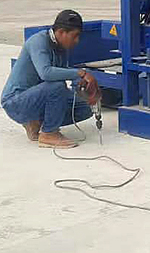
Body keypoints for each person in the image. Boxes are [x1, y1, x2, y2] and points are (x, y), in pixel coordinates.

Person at [1, 10, 99, 149]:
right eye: (75, 36)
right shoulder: (38, 42)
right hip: (16, 102)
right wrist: (80, 73)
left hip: (38, 97)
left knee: (85, 107)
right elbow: (46, 73)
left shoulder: (61, 48)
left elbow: (63, 73)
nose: (77, 41)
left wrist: (82, 87)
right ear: (61, 32)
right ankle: (49, 133)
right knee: (57, 86)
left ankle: (36, 124)